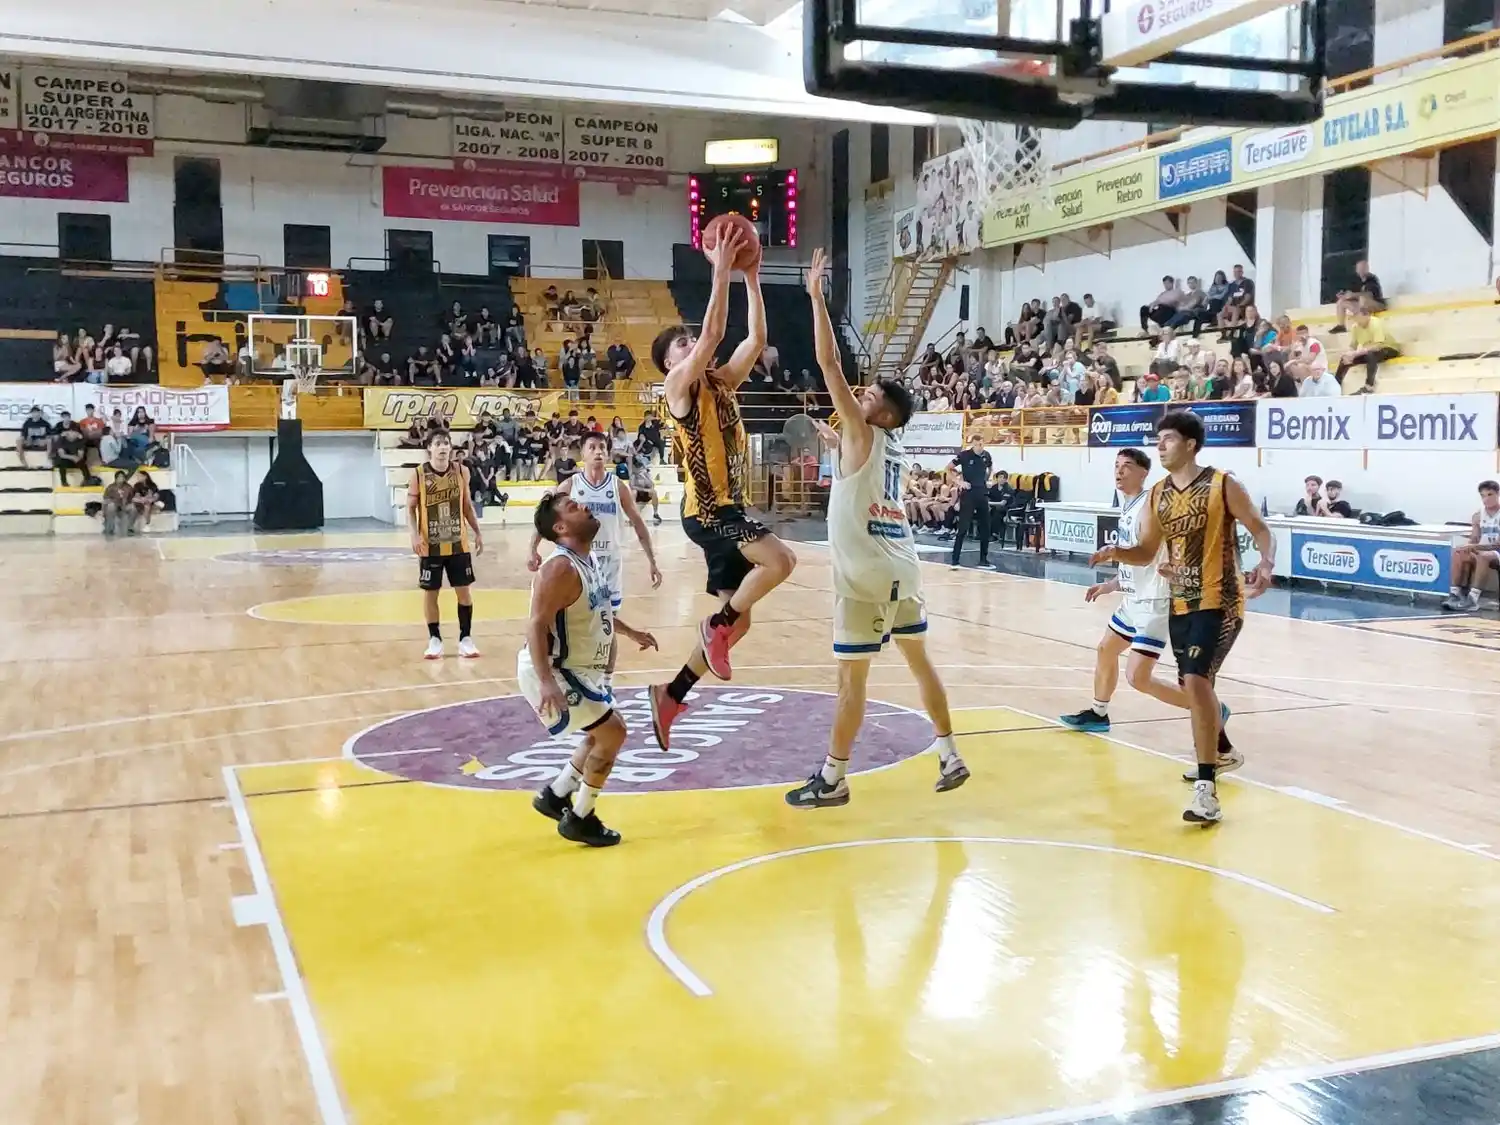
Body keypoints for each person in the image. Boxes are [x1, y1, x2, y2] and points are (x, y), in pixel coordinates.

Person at [785, 249, 969, 807]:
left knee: (852, 681)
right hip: (904, 568)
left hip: (864, 575)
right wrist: (839, 443)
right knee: (920, 661)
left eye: (869, 398)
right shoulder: (889, 444)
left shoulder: (865, 431)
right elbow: (860, 463)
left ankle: (834, 778)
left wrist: (816, 297)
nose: (858, 397)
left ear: (884, 414)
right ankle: (949, 753)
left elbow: (828, 365)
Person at [646, 224, 798, 750]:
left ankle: (672, 692)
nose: (693, 343)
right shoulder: (678, 388)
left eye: (690, 339)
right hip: (709, 511)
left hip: (726, 509)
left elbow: (754, 340)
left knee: (740, 624)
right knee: (780, 562)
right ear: (671, 362)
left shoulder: (722, 381)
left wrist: (752, 277)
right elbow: (712, 335)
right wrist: (719, 270)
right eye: (681, 344)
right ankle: (717, 626)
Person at [1089, 410, 1274, 825]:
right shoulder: (1158, 494)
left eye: (1168, 439)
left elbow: (1259, 527)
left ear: (1190, 444)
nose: (1160, 445)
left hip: (1221, 598)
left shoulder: (1223, 484)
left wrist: (1266, 561)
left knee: (1196, 680)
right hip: (1180, 601)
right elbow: (1147, 551)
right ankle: (1222, 751)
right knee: (1190, 684)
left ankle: (1206, 790)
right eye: (1158, 439)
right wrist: (1116, 554)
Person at [1060, 449, 1237, 765]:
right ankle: (1098, 713)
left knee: (1138, 678)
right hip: (1132, 600)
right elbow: (1140, 559)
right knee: (1106, 649)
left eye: (1126, 466)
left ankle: (1210, 708)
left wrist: (1116, 553)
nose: (1119, 471)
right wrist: (1112, 584)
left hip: (1156, 603)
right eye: (1116, 466)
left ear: (1143, 473)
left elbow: (1149, 552)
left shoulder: (1150, 506)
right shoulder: (1127, 506)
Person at [522, 493, 659, 848]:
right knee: (613, 733)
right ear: (561, 528)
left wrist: (630, 632)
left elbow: (597, 608)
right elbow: (536, 625)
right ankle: (580, 817)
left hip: (577, 667)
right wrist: (546, 682)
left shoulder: (587, 558)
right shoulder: (559, 568)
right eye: (572, 508)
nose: (583, 506)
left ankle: (555, 795)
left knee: (599, 735)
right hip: (556, 668)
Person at [528, 431, 662, 691]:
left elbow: (637, 522)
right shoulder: (570, 487)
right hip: (576, 563)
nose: (599, 451)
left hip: (606, 567)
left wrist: (652, 561)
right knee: (576, 621)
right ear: (584, 454)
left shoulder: (617, 486)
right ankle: (560, 674)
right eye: (592, 447)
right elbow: (545, 518)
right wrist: (532, 549)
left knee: (606, 622)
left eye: (602, 447)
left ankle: (606, 684)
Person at [407, 430, 484, 660]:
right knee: (431, 593)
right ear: (429, 447)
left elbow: (467, 505)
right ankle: (435, 639)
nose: (443, 447)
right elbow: (410, 509)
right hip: (430, 545)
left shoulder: (462, 471)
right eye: (438, 443)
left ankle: (465, 638)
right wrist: (413, 535)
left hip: (458, 544)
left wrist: (478, 532)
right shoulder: (419, 474)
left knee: (464, 593)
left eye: (446, 443)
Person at [1442, 480, 1500, 612]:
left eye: (1490, 495)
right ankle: (1455, 594)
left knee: (1483, 557)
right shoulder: (1478, 516)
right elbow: (1475, 538)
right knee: (1459, 552)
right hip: (1483, 550)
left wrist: (1476, 548)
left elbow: (1498, 545)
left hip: (1496, 551)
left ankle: (1473, 599)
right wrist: (1468, 546)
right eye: (1483, 496)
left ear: (1498, 494)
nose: (1486, 499)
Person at [948, 433, 993, 567]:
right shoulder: (964, 455)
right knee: (963, 527)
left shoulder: (986, 455)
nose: (980, 446)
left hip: (982, 492)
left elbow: (990, 467)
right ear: (972, 444)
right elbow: (949, 468)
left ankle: (983, 559)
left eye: (981, 444)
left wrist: (987, 479)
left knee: (985, 527)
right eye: (977, 444)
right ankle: (955, 559)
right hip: (969, 493)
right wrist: (959, 482)